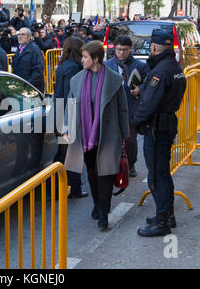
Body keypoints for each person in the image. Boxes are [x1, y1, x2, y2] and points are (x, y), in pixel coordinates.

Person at [62, 40, 129, 230]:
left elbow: (122, 109)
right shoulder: (77, 79)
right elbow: (70, 105)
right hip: (85, 136)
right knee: (92, 172)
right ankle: (97, 205)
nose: (81, 60)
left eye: (85, 57)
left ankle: (103, 213)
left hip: (108, 134)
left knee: (106, 173)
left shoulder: (114, 79)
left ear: (96, 58)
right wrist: (66, 128)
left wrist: (124, 135)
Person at [130, 29, 187, 237]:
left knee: (156, 175)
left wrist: (135, 122)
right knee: (163, 172)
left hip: (157, 127)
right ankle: (167, 214)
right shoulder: (174, 67)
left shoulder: (160, 71)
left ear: (153, 47)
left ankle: (162, 221)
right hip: (167, 123)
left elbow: (149, 103)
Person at [104, 35, 149, 177]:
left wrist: (140, 90)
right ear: (114, 49)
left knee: (130, 140)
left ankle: (130, 164)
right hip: (112, 109)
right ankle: (114, 164)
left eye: (125, 50)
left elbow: (147, 84)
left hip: (131, 108)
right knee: (112, 139)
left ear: (130, 49)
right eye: (119, 49)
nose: (121, 53)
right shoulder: (107, 65)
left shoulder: (140, 66)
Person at [53, 36, 88, 199]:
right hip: (69, 112)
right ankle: (74, 189)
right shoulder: (74, 67)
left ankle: (55, 187)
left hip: (59, 110)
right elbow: (71, 93)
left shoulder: (62, 66)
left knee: (62, 153)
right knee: (72, 153)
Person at [12, 27, 45, 92]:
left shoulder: (35, 49)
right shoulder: (19, 49)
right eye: (19, 34)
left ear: (29, 37)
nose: (20, 36)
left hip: (31, 88)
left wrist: (27, 85)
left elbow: (38, 71)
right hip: (20, 86)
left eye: (23, 34)